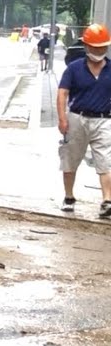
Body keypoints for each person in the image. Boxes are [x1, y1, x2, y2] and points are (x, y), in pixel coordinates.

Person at [57, 24, 111, 216]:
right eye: (95, 47)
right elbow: (63, 93)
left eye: (102, 47)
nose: (99, 51)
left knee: (105, 160)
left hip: (103, 120)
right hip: (77, 118)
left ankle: (107, 200)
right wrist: (62, 119)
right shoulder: (74, 68)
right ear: (87, 47)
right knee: (70, 158)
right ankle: (69, 196)